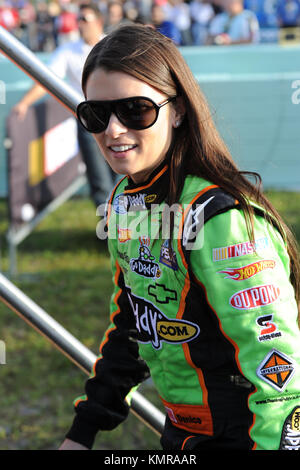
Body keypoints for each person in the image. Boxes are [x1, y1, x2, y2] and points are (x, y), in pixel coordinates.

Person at [59, 24, 300, 451]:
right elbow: (134, 323)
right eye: (96, 114)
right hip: (182, 433)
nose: (113, 130)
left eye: (135, 110)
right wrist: (83, 432)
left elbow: (279, 370)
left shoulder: (218, 217)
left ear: (178, 110)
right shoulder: (124, 201)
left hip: (246, 434)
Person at [13, 3, 117, 209]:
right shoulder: (68, 51)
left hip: (117, 118)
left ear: (98, 22)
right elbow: (47, 79)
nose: (80, 24)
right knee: (99, 177)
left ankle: (130, 225)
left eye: (85, 19)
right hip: (88, 121)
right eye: (79, 19)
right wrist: (24, 103)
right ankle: (107, 228)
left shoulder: (114, 45)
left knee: (125, 172)